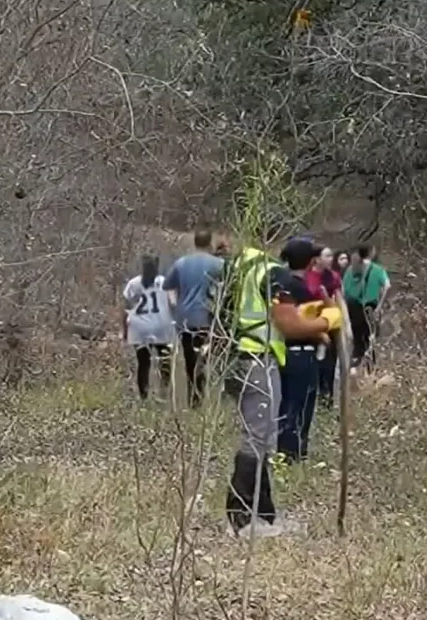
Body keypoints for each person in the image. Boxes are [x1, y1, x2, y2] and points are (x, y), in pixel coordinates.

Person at [217, 236, 343, 537]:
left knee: (263, 437)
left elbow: (258, 310)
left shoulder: (241, 265)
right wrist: (328, 320)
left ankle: (265, 514)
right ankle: (242, 519)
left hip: (234, 357)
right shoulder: (272, 272)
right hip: (257, 359)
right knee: (258, 439)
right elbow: (289, 325)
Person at [277, 238, 329, 464]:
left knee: (285, 403)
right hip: (302, 353)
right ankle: (293, 454)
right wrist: (324, 325)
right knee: (300, 405)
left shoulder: (279, 282)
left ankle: (282, 450)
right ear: (310, 262)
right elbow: (301, 323)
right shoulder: (299, 288)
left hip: (282, 352)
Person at [163, 229, 224, 407]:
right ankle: (203, 397)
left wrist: (175, 305)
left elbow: (168, 288)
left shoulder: (181, 263)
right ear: (210, 243)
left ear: (195, 242)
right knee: (205, 358)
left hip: (185, 319)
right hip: (208, 317)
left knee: (190, 359)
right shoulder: (218, 264)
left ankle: (194, 399)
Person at [122, 255, 175, 400]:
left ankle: (144, 396)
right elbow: (173, 303)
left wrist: (125, 331)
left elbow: (126, 308)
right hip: (161, 326)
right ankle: (164, 393)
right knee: (165, 361)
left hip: (140, 328)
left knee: (143, 364)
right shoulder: (165, 282)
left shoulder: (134, 284)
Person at [342, 244, 391, 375]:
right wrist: (380, 305)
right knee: (371, 339)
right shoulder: (378, 270)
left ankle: (354, 368)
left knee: (358, 340)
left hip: (353, 308)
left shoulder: (350, 270)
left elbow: (343, 291)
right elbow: (387, 286)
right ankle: (369, 371)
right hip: (371, 308)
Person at [307, 246, 342, 406]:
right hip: (309, 325)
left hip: (329, 325)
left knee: (328, 364)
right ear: (317, 258)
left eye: (331, 256)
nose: (330, 259)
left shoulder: (333, 277)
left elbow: (339, 300)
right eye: (327, 256)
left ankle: (326, 397)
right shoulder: (307, 276)